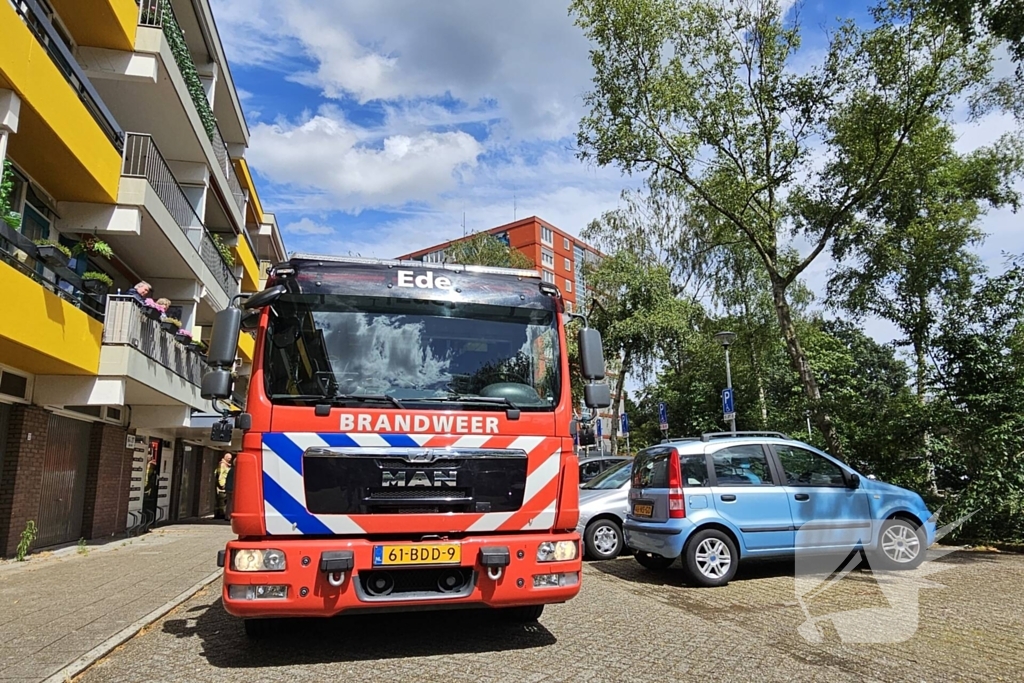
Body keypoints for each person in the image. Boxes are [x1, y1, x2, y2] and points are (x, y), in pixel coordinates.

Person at [215, 453, 233, 520]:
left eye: (230, 458)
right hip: (222, 486)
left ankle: (222, 513)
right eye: (228, 458)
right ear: (225, 457)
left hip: (225, 485)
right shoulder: (222, 465)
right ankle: (220, 514)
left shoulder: (227, 465)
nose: (229, 459)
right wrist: (222, 485)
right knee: (221, 501)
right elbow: (221, 475)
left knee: (224, 501)